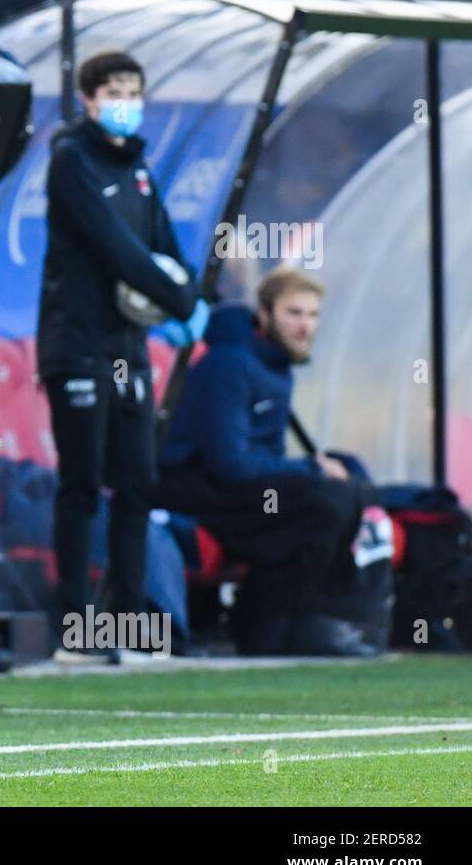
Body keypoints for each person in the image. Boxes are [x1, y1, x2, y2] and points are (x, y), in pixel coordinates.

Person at [37, 50, 203, 662]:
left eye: (135, 88)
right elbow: (118, 250)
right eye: (114, 89)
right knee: (81, 486)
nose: (125, 100)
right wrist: (181, 300)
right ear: (87, 97)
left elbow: (163, 244)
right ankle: (75, 635)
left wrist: (187, 288)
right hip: (77, 345)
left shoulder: (140, 168)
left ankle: (129, 625)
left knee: (138, 483)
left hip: (128, 350)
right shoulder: (70, 160)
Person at [155, 268, 379, 657]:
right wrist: (309, 470)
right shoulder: (228, 365)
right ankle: (294, 623)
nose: (305, 325)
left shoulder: (277, 368)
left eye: (313, 315)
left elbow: (266, 458)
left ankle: (283, 624)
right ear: (264, 313)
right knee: (326, 499)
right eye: (293, 313)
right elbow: (231, 463)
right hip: (196, 490)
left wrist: (310, 470)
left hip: (240, 490)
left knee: (351, 482)